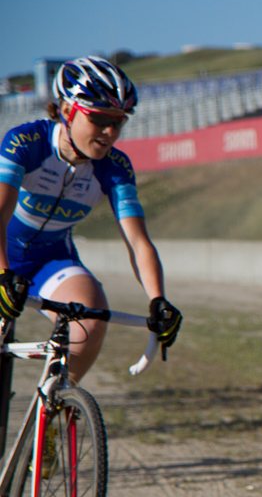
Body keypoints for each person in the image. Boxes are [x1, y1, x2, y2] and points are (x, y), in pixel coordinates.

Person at [0, 56, 182, 383]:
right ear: (68, 110)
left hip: (51, 260)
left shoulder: (114, 168)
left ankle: (56, 405)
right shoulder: (26, 143)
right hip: (2, 252)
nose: (110, 132)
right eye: (99, 119)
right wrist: (3, 274)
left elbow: (138, 243)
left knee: (89, 321)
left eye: (119, 121)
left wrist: (158, 300)